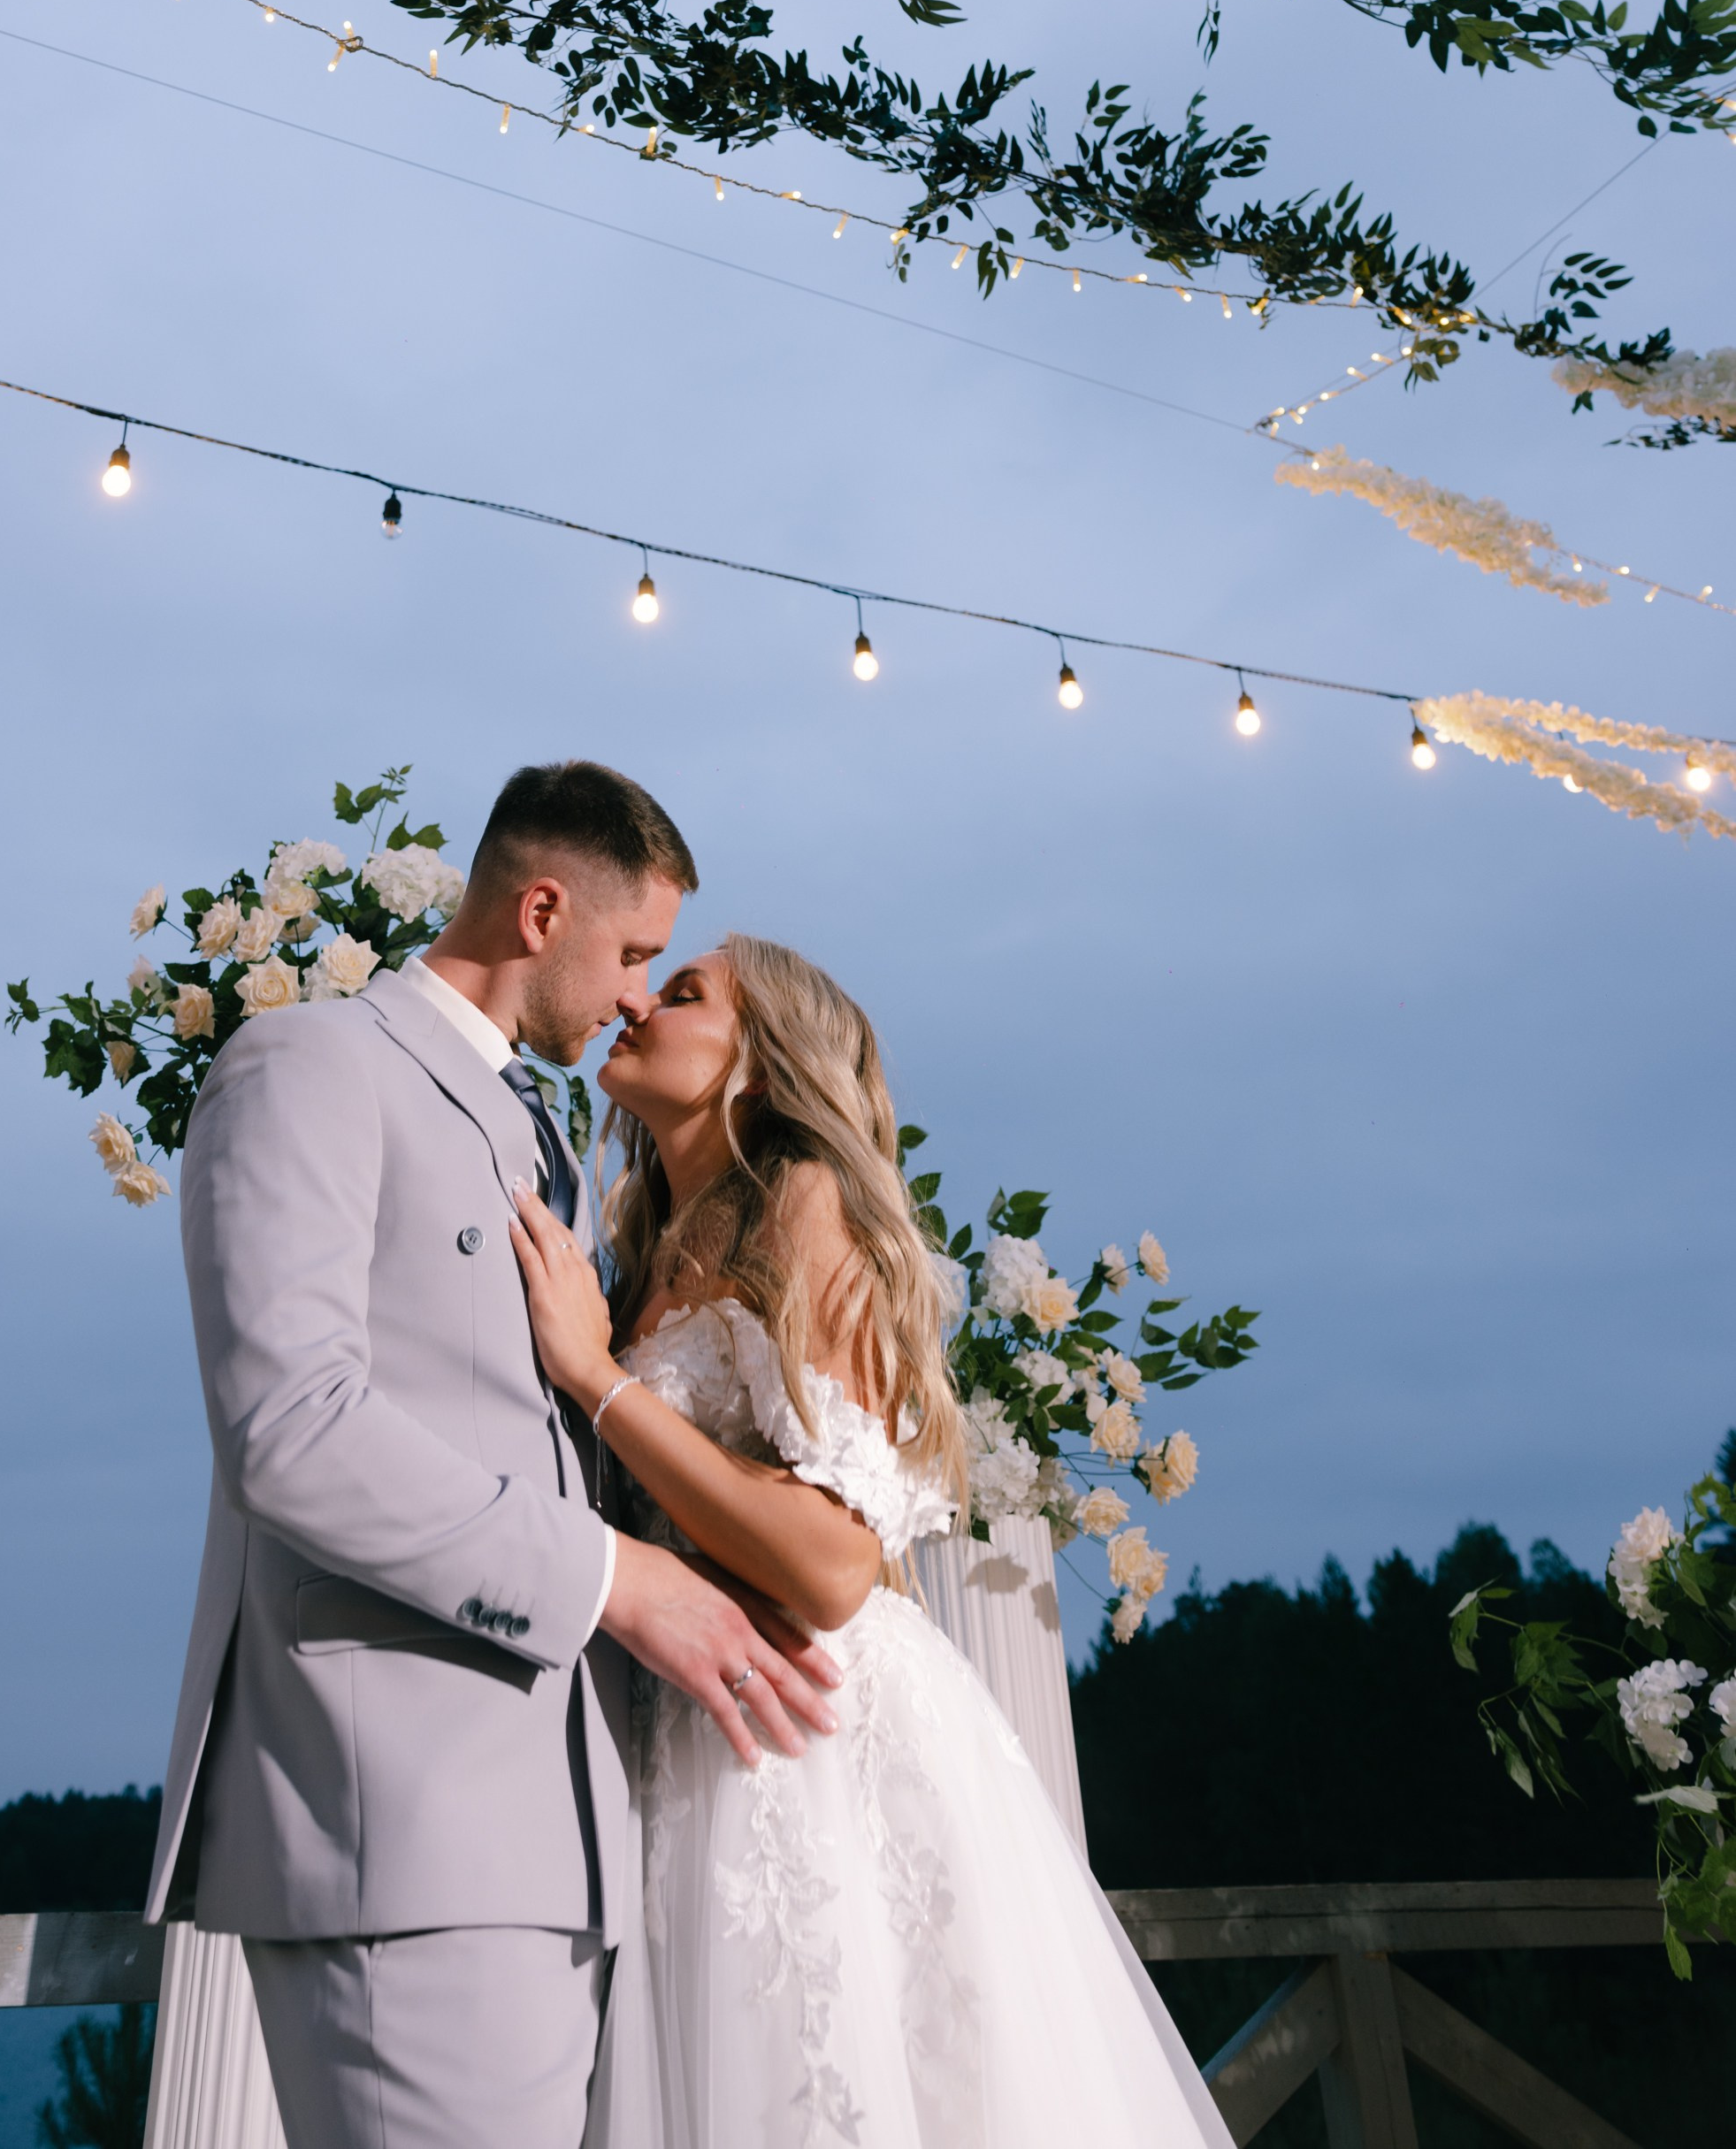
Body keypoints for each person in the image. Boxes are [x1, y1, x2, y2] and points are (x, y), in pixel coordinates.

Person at [142, 764, 841, 2149]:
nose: (637, 993)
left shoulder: (552, 1145)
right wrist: (623, 1581)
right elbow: (290, 1433)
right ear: (541, 910)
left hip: (570, 1829)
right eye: (633, 952)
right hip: (398, 1826)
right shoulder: (311, 1065)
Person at [510, 933, 1235, 2149]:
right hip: (678, 1727)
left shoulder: (803, 1205)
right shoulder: (632, 1260)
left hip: (809, 1740)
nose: (638, 999)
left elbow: (835, 1566)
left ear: (758, 1065)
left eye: (683, 993)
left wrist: (592, 1378)